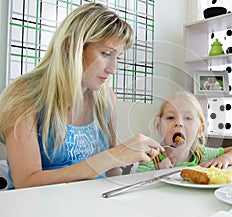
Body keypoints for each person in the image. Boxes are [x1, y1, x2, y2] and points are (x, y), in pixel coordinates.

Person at [0, 3, 163, 189]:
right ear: (71, 47)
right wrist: (113, 156)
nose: (112, 69)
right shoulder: (25, 94)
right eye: (105, 54)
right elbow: (26, 182)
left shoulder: (107, 100)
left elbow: (111, 172)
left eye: (117, 57)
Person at [132, 91, 232, 172]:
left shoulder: (202, 154)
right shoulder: (151, 158)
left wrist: (224, 159)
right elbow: (139, 189)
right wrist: (159, 173)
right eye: (171, 118)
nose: (179, 123)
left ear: (200, 130)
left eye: (188, 118)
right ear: (159, 128)